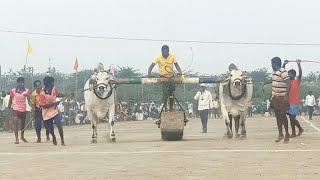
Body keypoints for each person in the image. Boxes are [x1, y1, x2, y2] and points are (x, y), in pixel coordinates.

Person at [263, 57, 291, 143]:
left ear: (275, 64)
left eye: (272, 64)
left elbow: (289, 83)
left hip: (282, 98)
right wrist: (265, 82)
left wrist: (286, 96)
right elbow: (273, 80)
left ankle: (286, 134)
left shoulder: (283, 72)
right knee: (278, 117)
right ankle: (280, 134)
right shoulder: (274, 72)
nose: (271, 65)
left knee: (283, 116)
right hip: (275, 98)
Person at [148, 45, 182, 112]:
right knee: (165, 92)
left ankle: (171, 108)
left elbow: (176, 65)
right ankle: (165, 107)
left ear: (168, 52)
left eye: (166, 53)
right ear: (161, 52)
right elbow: (151, 66)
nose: (164, 54)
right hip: (163, 77)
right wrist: (149, 73)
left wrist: (180, 72)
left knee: (171, 93)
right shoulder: (158, 57)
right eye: (163, 53)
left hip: (171, 76)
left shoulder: (172, 56)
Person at [39, 76, 71, 146]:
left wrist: (66, 95)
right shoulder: (42, 93)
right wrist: (54, 103)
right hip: (46, 112)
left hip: (54, 110)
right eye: (52, 82)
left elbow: (57, 94)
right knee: (50, 128)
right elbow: (43, 105)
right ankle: (53, 136)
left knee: (59, 124)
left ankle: (62, 140)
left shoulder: (54, 89)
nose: (53, 83)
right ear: (47, 84)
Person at [282, 59, 304, 137]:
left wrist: (298, 64)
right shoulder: (287, 82)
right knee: (291, 118)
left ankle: (299, 129)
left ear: (294, 75)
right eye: (288, 74)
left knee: (292, 118)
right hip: (288, 102)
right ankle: (294, 132)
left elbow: (300, 73)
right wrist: (284, 64)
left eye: (291, 74)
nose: (289, 75)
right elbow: (282, 72)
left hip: (295, 102)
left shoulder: (297, 81)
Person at [8, 77, 31, 144]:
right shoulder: (13, 91)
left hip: (23, 109)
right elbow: (10, 100)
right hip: (15, 109)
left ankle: (22, 136)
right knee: (16, 122)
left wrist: (32, 108)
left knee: (22, 124)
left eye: (22, 82)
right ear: (18, 83)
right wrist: (9, 108)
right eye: (20, 82)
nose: (21, 83)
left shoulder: (26, 91)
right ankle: (16, 138)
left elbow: (29, 100)